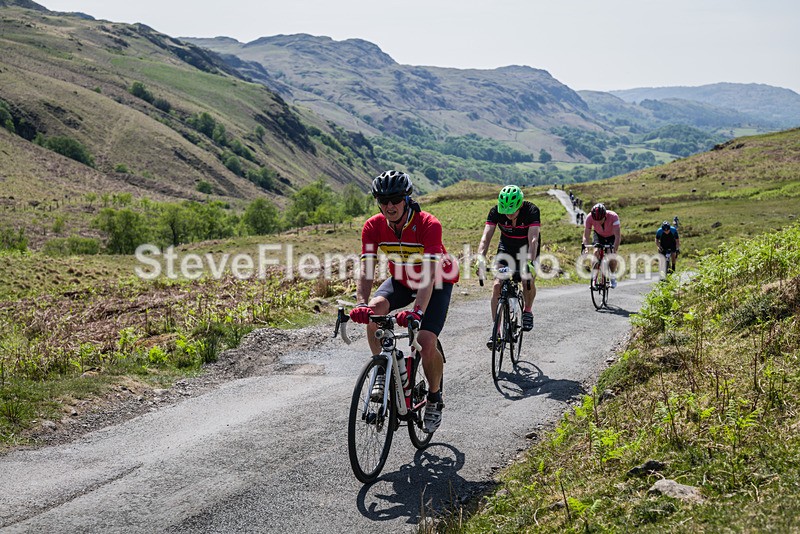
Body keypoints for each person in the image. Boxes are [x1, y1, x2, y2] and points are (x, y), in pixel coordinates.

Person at [349, 170, 459, 434]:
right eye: (383, 200)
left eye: (396, 199)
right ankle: (381, 370)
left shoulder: (429, 224)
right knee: (374, 313)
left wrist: (417, 312)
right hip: (402, 279)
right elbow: (366, 269)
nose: (390, 206)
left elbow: (429, 276)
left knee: (425, 341)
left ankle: (434, 397)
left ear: (407, 199)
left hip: (436, 281)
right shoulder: (373, 226)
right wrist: (362, 303)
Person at [476, 185, 541, 349]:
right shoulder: (495, 212)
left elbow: (533, 239)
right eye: (505, 211)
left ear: (520, 205)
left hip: (527, 249)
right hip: (506, 249)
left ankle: (527, 310)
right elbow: (485, 237)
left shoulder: (531, 211)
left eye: (512, 211)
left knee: (527, 279)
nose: (508, 215)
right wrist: (480, 259)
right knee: (497, 286)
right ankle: (496, 332)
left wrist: (531, 263)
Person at [582, 203, 622, 288]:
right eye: (596, 220)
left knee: (611, 255)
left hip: (611, 236)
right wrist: (586, 248)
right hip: (599, 235)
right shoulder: (589, 217)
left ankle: (612, 276)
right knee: (596, 252)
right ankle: (594, 278)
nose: (598, 222)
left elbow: (617, 237)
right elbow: (586, 236)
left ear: (605, 215)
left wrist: (614, 249)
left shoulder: (613, 217)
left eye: (600, 219)